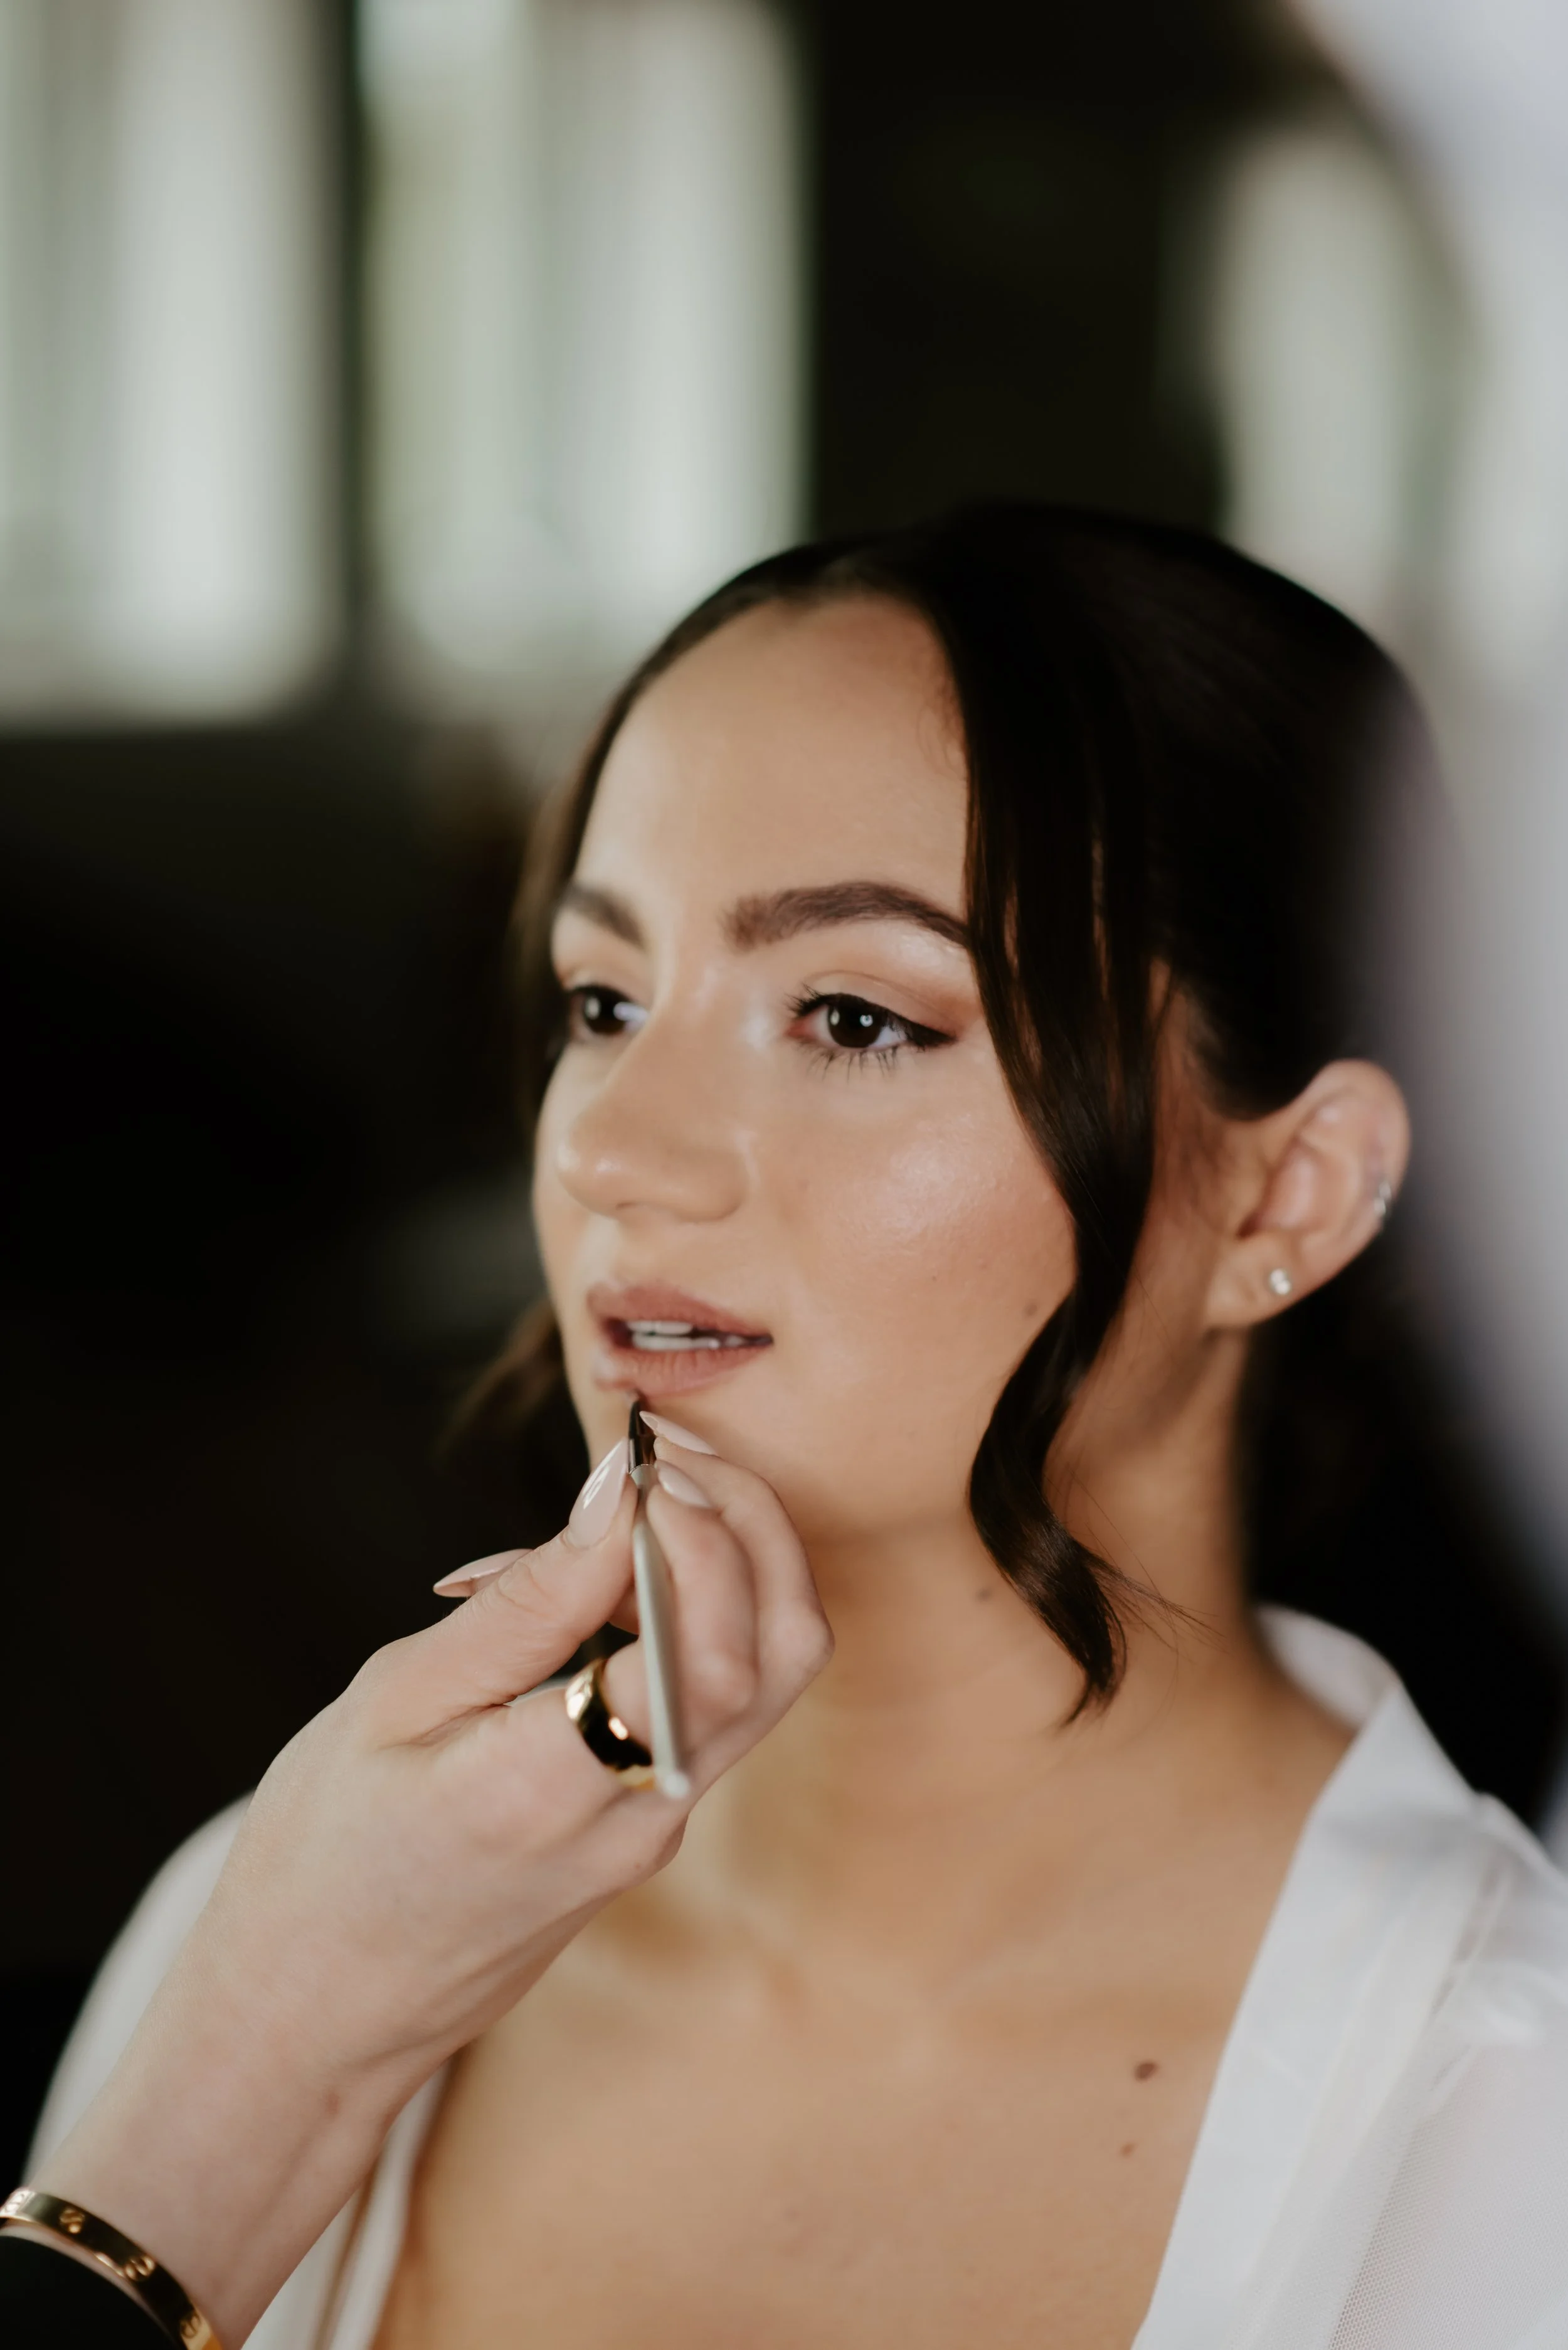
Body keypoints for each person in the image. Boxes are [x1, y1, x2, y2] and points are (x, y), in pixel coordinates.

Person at [15, 506, 1568, 2350]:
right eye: (602, 1001)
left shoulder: (1498, 2112)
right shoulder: (267, 1936)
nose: (611, 1149)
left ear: (1286, 1191)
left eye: (851, 1017)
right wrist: (241, 2071)